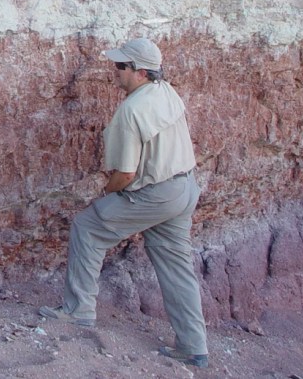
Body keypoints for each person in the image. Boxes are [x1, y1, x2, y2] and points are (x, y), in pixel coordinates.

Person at [38, 37, 209, 368]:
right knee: (177, 268)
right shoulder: (166, 91)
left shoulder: (132, 110)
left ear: (141, 72)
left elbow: (126, 175)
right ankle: (193, 346)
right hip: (185, 187)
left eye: (120, 66)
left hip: (156, 194)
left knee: (87, 227)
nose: (115, 72)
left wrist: (106, 194)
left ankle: (78, 311)